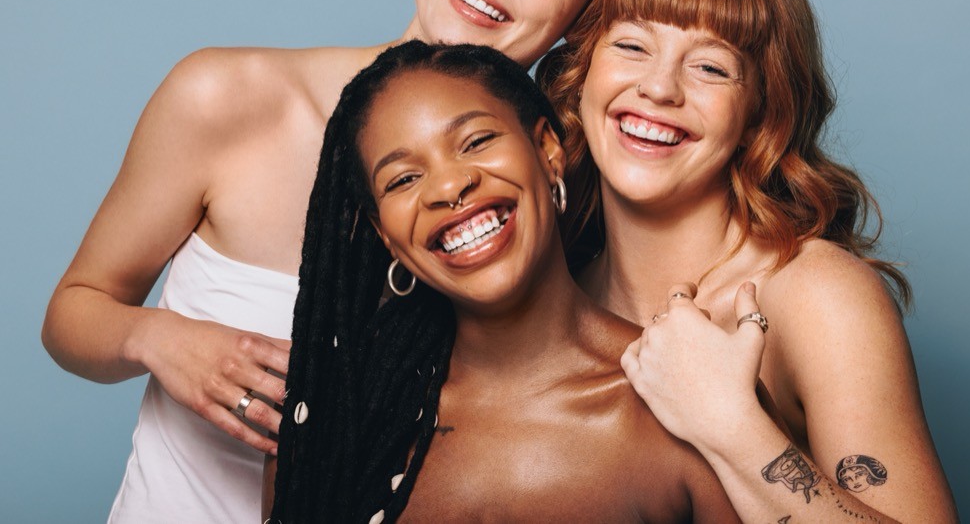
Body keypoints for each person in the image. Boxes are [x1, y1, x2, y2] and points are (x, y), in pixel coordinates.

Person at [41, 0, 664, 523]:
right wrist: (156, 338)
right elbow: (71, 312)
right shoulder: (230, 98)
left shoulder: (554, 210)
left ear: (591, 7)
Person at [541, 0, 959, 522]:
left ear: (761, 111)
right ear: (581, 74)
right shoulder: (556, 300)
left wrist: (730, 422)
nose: (658, 88)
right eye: (631, 47)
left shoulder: (817, 295)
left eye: (710, 68)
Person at [268, 41, 739, 523]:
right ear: (384, 235)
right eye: (403, 179)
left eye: (475, 142)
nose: (449, 187)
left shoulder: (682, 407)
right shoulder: (338, 416)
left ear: (548, 152)